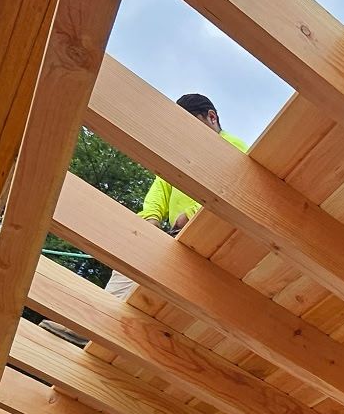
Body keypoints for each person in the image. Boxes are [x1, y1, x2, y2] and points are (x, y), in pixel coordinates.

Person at [103, 93, 247, 298]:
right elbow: (160, 188)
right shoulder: (181, 155)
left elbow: (237, 192)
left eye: (190, 127)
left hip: (213, 233)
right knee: (130, 264)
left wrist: (191, 215)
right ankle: (98, 313)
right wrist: (151, 218)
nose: (185, 136)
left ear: (212, 117)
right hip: (178, 235)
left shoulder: (234, 149)